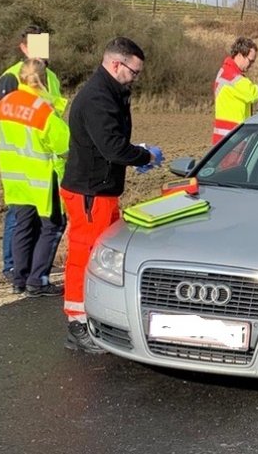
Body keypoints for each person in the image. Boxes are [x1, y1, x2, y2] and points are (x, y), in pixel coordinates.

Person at [60, 37, 162, 354]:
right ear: (116, 64)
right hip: (90, 190)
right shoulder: (97, 98)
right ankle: (77, 323)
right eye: (133, 71)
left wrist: (137, 153)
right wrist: (143, 157)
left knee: (98, 253)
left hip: (100, 188)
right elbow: (112, 147)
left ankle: (91, 313)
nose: (135, 78)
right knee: (84, 253)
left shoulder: (110, 92)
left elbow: (113, 142)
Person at [0, 25, 67, 284]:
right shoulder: (11, 77)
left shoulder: (52, 76)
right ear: (23, 48)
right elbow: (2, 122)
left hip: (41, 155)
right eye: (34, 47)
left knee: (30, 221)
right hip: (30, 161)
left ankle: (23, 273)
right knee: (25, 219)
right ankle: (15, 268)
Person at [212, 37, 258, 144]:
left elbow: (246, 97)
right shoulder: (231, 75)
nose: (251, 65)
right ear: (239, 55)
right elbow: (252, 93)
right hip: (229, 139)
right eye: (250, 61)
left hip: (230, 138)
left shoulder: (229, 73)